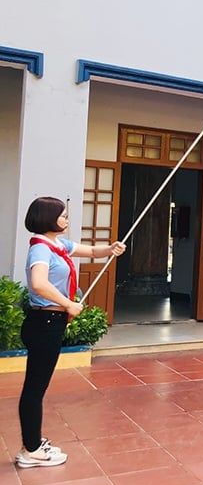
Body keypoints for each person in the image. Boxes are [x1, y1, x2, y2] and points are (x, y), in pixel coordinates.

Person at [17, 196, 126, 468]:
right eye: (63, 215)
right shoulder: (41, 249)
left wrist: (110, 248)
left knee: (36, 386)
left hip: (50, 322)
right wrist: (68, 304)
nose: (66, 220)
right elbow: (39, 284)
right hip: (45, 323)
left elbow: (88, 252)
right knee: (34, 388)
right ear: (48, 218)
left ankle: (32, 442)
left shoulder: (57, 245)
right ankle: (30, 450)